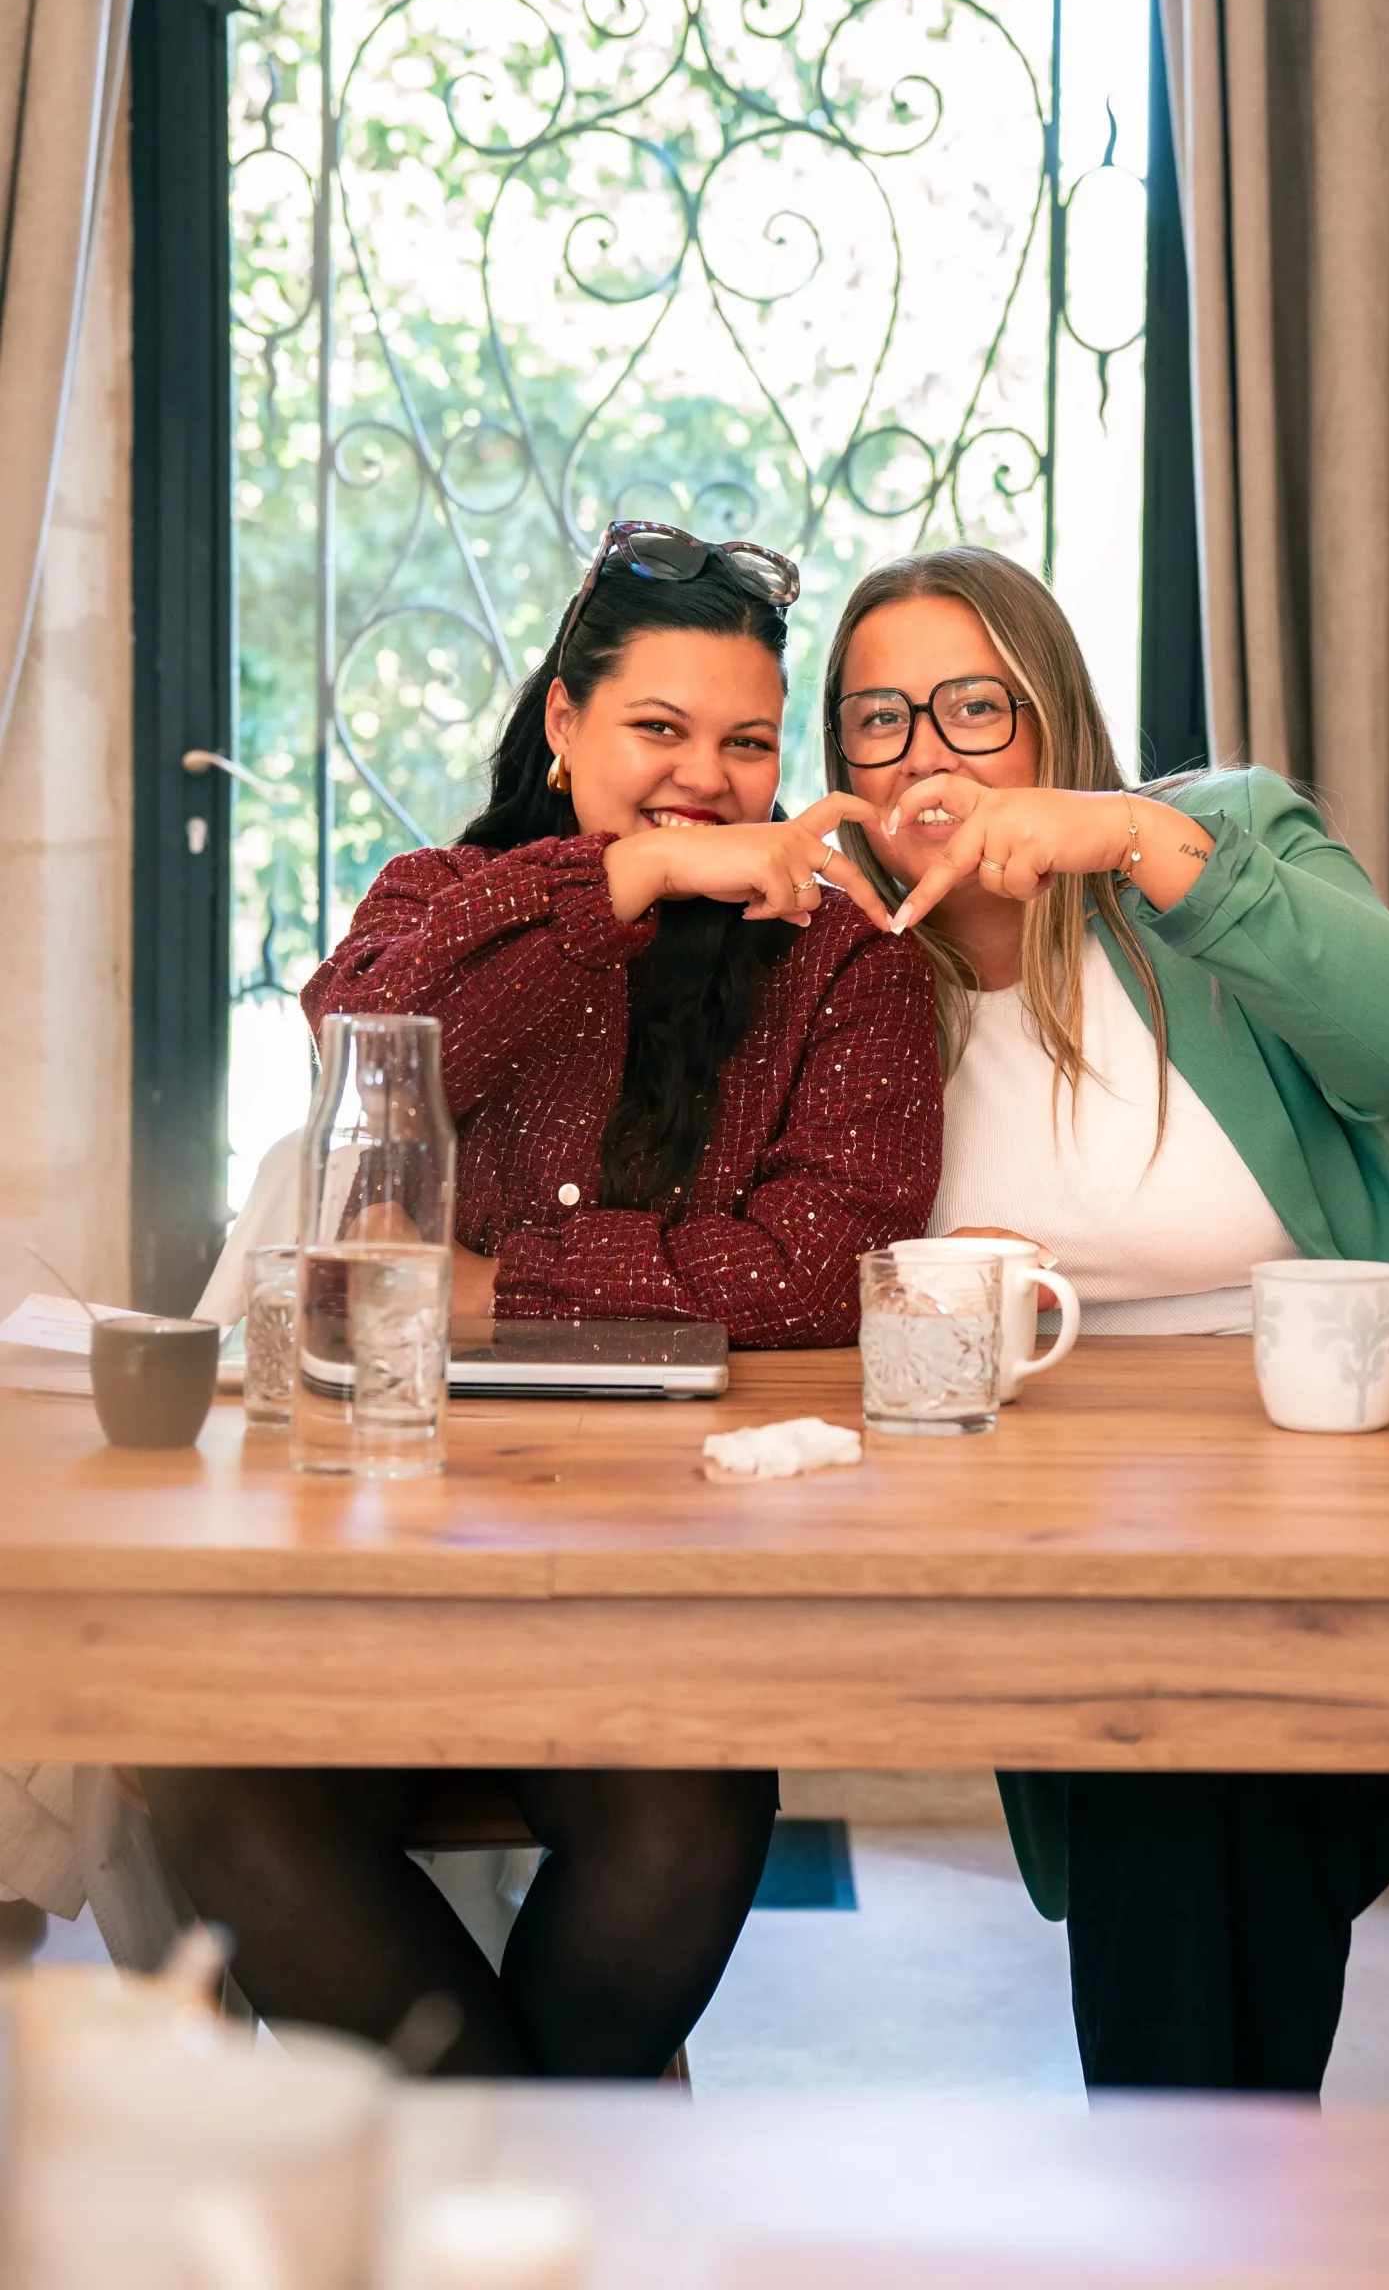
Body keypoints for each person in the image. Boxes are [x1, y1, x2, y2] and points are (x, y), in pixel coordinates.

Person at [822, 542, 1389, 2107]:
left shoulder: (1204, 842)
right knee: (1173, 1880)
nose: (929, 755)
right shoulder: (833, 971)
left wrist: (1138, 841)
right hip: (1133, 1562)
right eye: (879, 718)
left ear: (1052, 717)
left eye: (975, 705)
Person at [143, 522, 942, 2078]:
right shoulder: (439, 899)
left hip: (669, 1562)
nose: (706, 779)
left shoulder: (844, 955)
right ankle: (536, 2179)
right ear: (563, 721)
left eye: (747, 745)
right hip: (385, 1536)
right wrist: (630, 874)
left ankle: (494, 2180)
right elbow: (372, 1049)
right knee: (214, 1792)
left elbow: (820, 1265)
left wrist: (497, 1290)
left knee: (688, 1823)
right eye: (658, 730)